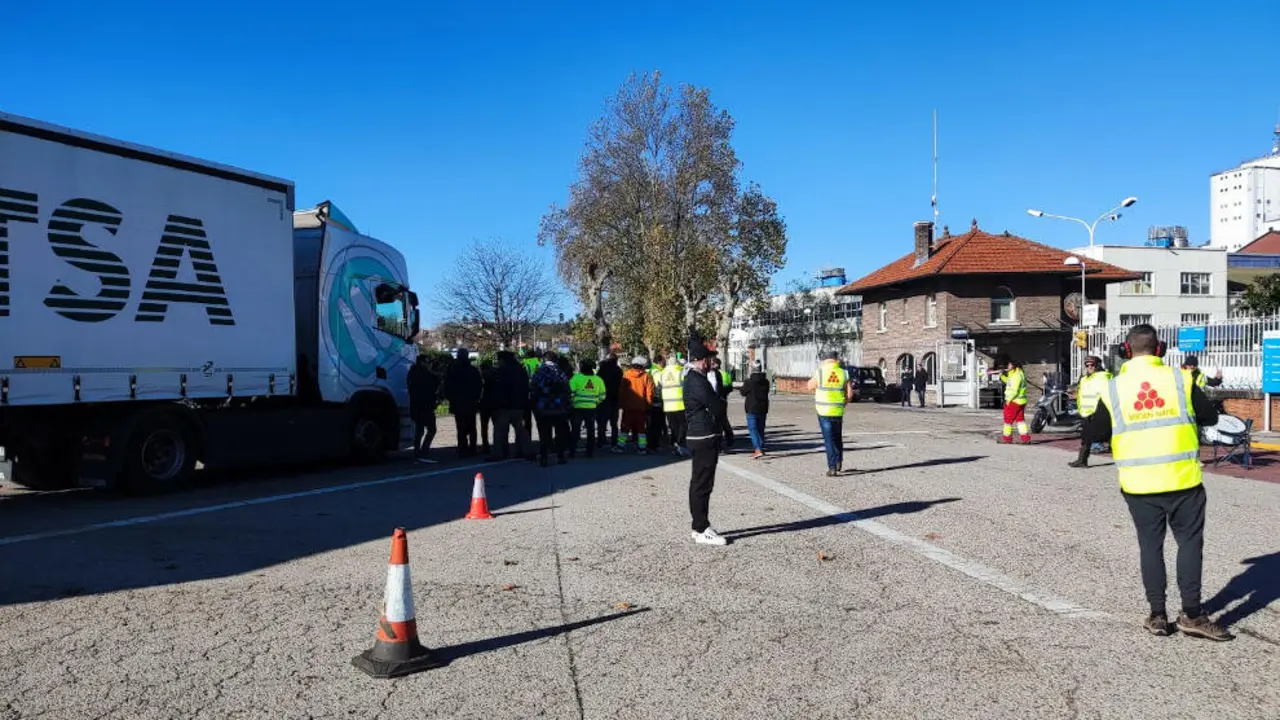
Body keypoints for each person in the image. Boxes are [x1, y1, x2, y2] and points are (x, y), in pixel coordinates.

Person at [1084, 323, 1231, 641]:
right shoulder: (1181, 379)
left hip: (1139, 484)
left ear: (1126, 349)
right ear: (1160, 348)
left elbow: (1094, 434)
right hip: (1183, 481)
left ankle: (1157, 615)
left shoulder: (1113, 388)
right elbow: (1210, 416)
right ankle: (1192, 614)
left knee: (1150, 547)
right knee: (1189, 545)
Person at [683, 341, 727, 546]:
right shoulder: (696, 380)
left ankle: (699, 526)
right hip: (703, 436)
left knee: (700, 482)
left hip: (702, 434)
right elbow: (715, 405)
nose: (712, 362)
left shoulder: (696, 378)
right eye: (709, 359)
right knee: (702, 484)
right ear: (700, 361)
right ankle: (701, 527)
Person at [807, 350, 854, 476]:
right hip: (838, 411)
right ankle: (839, 461)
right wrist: (843, 404)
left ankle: (832, 467)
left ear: (825, 359)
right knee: (837, 437)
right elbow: (850, 394)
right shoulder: (844, 373)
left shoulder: (820, 372)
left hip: (823, 411)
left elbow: (809, 386)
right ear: (836, 359)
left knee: (829, 440)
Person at [1069, 356, 1112, 468]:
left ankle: (1126, 459)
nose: (1089, 367)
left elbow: (1107, 395)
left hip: (1098, 411)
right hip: (1086, 412)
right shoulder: (1084, 379)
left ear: (1097, 365)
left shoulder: (1102, 377)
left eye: (1092, 365)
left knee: (1107, 436)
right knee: (1085, 437)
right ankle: (1082, 460)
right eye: (1087, 365)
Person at [530, 351, 572, 467]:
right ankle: (561, 456)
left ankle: (544, 458)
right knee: (560, 433)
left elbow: (533, 389)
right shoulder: (560, 372)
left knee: (544, 434)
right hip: (559, 408)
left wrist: (535, 404)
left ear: (544, 359)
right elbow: (567, 390)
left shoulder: (539, 372)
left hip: (543, 407)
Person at [491, 351, 532, 461]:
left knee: (500, 431)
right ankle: (525, 451)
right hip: (519, 405)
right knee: (521, 430)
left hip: (504, 406)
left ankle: (500, 453)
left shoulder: (501, 372)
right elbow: (526, 387)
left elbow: (498, 389)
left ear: (502, 360)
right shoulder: (520, 370)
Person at [445, 348, 482, 458]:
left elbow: (447, 386)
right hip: (471, 402)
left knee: (460, 427)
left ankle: (462, 448)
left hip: (458, 403)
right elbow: (479, 386)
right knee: (472, 426)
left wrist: (451, 399)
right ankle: (473, 448)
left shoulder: (452, 370)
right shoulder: (473, 370)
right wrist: (477, 398)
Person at [616, 356, 655, 454]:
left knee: (625, 428)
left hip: (628, 407)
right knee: (641, 429)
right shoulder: (646, 376)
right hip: (641, 407)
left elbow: (622, 391)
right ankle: (642, 448)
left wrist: (621, 403)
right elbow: (650, 393)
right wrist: (649, 405)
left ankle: (620, 447)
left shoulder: (626, 374)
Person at [407, 354, 440, 464]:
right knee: (431, 429)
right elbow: (434, 384)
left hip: (416, 406)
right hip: (425, 406)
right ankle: (424, 449)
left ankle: (417, 450)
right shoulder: (425, 375)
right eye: (427, 362)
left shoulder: (412, 373)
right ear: (422, 362)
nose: (428, 364)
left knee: (420, 429)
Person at [569, 358, 605, 458]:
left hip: (577, 408)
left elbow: (570, 393)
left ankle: (572, 451)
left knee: (575, 430)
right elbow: (602, 395)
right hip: (592, 408)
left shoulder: (576, 378)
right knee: (591, 430)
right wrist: (595, 402)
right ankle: (589, 452)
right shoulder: (598, 380)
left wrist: (573, 402)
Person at [739, 359, 770, 459]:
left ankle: (757, 449)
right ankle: (760, 447)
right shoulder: (766, 381)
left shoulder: (749, 381)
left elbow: (742, 392)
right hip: (763, 407)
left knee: (753, 429)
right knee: (761, 429)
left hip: (752, 408)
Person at [659, 353, 689, 457]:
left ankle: (676, 444)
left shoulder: (662, 373)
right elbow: (686, 386)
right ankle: (680, 444)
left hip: (667, 404)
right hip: (679, 403)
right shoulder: (680, 372)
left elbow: (660, 385)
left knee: (673, 426)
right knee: (683, 425)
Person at [595, 353, 623, 450]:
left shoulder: (602, 370)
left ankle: (601, 441)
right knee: (614, 423)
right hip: (615, 399)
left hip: (603, 399)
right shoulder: (618, 371)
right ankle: (614, 441)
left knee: (602, 422)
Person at [999, 359, 1030, 444]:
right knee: (1020, 420)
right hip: (1021, 401)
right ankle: (1025, 438)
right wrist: (1002, 376)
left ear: (1013, 366)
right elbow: (1009, 382)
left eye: (1009, 365)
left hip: (1014, 401)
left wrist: (1008, 400)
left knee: (1008, 420)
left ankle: (1007, 438)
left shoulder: (1016, 375)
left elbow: (1014, 389)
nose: (1007, 367)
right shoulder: (1019, 374)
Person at [710, 357, 735, 450]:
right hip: (723, 399)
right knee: (723, 420)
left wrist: (722, 393)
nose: (711, 365)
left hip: (720, 399)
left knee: (720, 420)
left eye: (712, 363)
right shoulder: (725, 373)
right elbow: (730, 387)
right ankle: (729, 438)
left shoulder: (719, 373)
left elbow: (729, 387)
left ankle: (723, 438)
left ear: (716, 364)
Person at [647, 355, 668, 452]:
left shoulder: (651, 370)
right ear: (659, 362)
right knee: (656, 424)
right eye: (664, 361)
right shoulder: (657, 372)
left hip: (650, 401)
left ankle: (652, 443)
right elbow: (662, 385)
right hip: (657, 401)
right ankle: (654, 444)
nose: (665, 363)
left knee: (652, 424)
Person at [478, 358, 498, 457]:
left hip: (484, 404)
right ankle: (497, 445)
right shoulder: (496, 375)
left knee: (484, 426)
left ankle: (486, 446)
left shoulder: (482, 377)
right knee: (496, 426)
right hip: (495, 403)